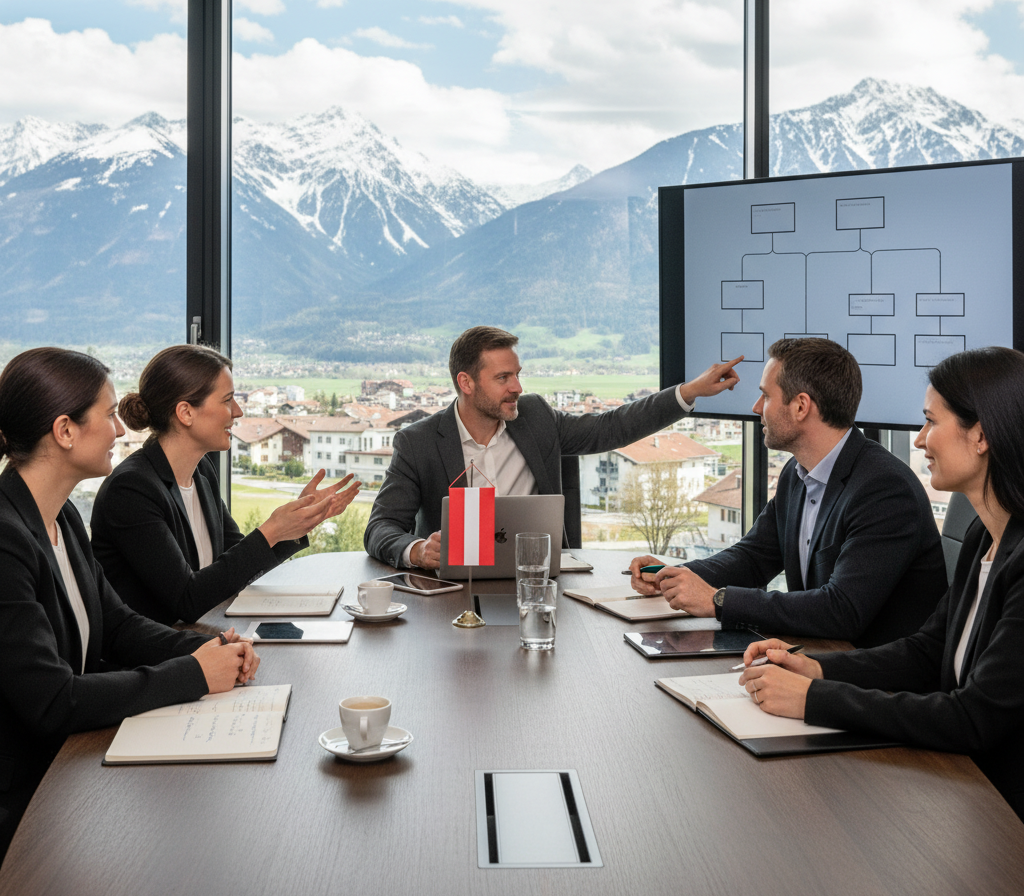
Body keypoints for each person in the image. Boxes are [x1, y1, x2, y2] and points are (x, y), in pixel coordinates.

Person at [738, 347, 1024, 819]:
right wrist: (817, 670)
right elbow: (926, 653)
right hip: (965, 790)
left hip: (1002, 818)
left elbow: (974, 717)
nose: (919, 440)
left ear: (982, 435)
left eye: (931, 422)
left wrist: (815, 700)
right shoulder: (983, 536)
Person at [0, 347, 260, 860]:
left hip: (67, 764)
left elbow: (118, 626)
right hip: (25, 798)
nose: (121, 429)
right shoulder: (6, 541)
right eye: (109, 414)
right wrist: (192, 674)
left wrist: (210, 648)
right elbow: (52, 700)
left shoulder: (63, 519)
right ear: (65, 430)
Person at [629, 337, 947, 647]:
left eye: (766, 396)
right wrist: (672, 576)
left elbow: (842, 611)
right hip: (818, 659)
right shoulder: (796, 474)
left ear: (800, 406)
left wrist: (717, 601)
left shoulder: (884, 490)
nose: (756, 408)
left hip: (875, 684)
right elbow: (753, 558)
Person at [364, 325, 743, 570]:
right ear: (466, 382)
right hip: (451, 596)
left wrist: (688, 393)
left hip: (542, 583)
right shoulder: (418, 442)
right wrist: (416, 551)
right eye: (503, 377)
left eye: (517, 375)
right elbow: (381, 528)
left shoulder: (536, 417)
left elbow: (611, 427)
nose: (517, 387)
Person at [91, 344, 360, 625]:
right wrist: (271, 531)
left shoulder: (202, 471)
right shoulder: (132, 489)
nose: (238, 411)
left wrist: (298, 521)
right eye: (227, 400)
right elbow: (187, 599)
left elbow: (235, 565)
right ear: (185, 413)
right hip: (160, 658)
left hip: (205, 637)